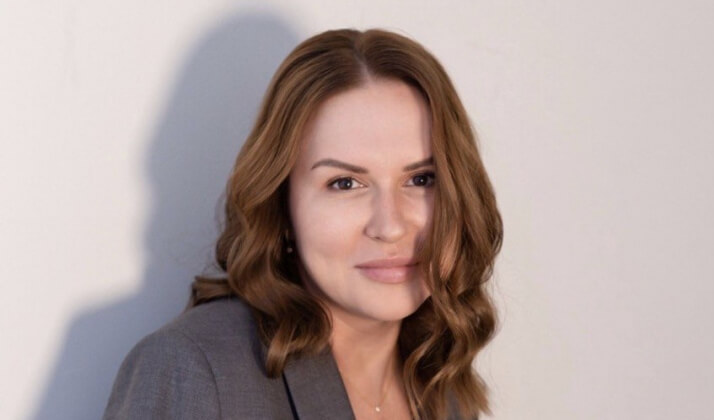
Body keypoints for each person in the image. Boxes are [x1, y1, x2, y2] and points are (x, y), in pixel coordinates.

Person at [103, 28, 503, 420]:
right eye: (345, 183)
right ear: (282, 205)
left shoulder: (442, 378)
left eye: (422, 179)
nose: (390, 226)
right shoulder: (192, 370)